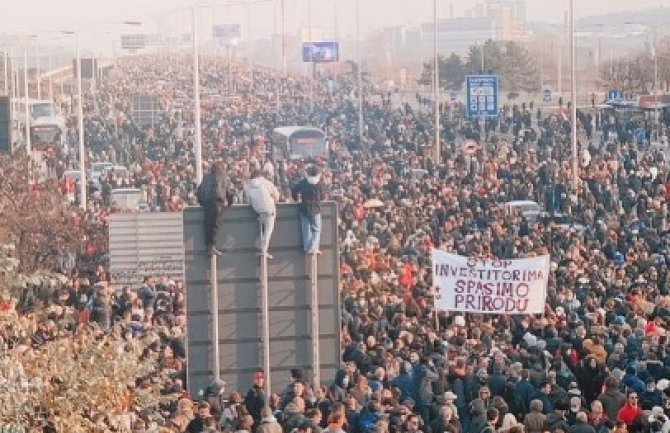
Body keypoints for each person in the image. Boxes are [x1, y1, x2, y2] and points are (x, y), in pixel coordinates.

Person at [197, 161, 234, 255]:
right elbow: (229, 192)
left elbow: (199, 192)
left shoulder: (206, 178)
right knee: (215, 225)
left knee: (207, 225)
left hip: (207, 204)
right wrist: (229, 203)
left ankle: (209, 247)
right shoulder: (223, 177)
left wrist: (202, 202)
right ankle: (212, 247)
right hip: (217, 203)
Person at [244, 168, 280, 258]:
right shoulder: (266, 183)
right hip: (269, 209)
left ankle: (260, 247)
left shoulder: (248, 186)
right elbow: (277, 195)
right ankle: (264, 250)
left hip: (258, 210)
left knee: (262, 229)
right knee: (268, 231)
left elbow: (248, 199)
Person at [291, 165, 325, 255]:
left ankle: (307, 247)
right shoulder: (320, 184)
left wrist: (296, 199)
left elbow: (294, 191)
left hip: (304, 208)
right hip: (316, 208)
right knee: (316, 229)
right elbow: (323, 196)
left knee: (306, 228)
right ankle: (314, 247)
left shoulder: (303, 182)